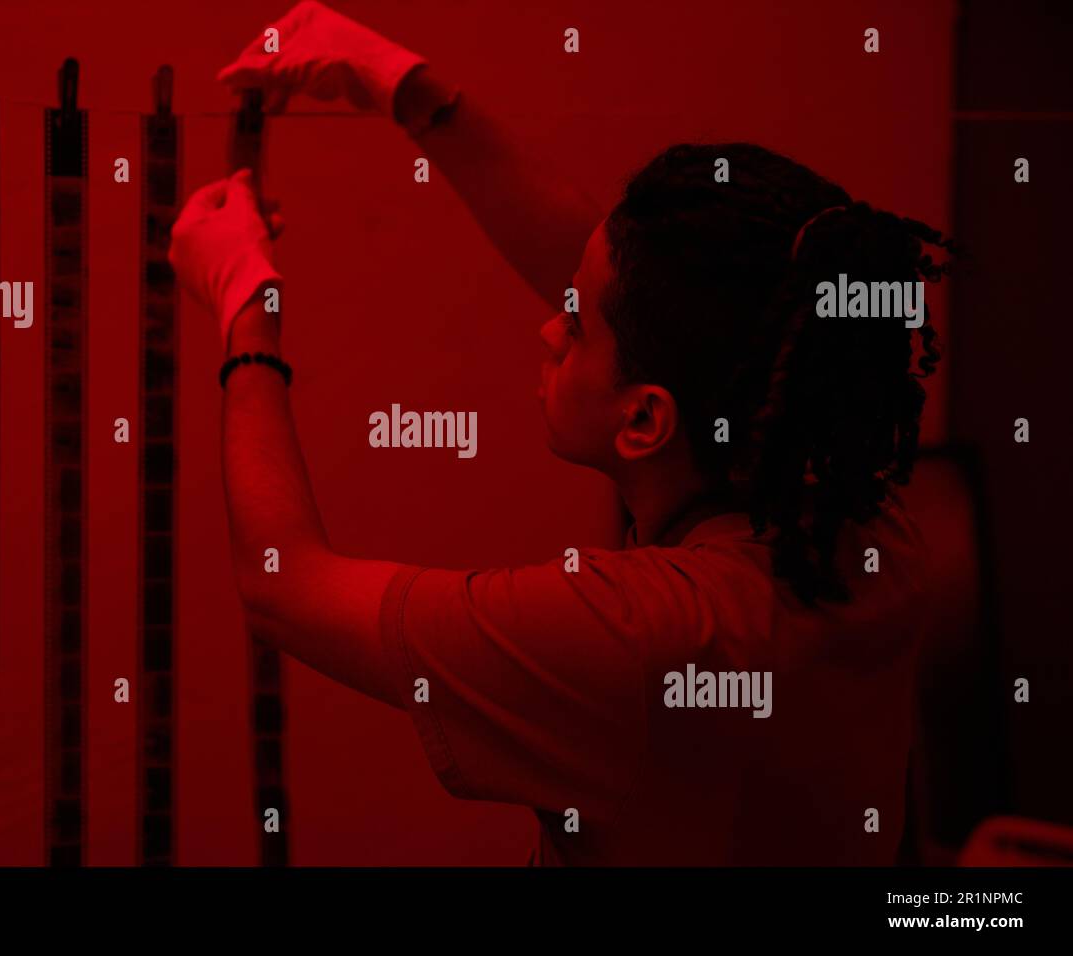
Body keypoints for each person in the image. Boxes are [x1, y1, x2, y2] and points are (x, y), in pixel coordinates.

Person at [169, 1, 954, 865]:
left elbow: (283, 585)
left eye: (573, 325)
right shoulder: (869, 534)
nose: (549, 324)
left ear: (647, 419)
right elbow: (659, 312)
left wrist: (247, 308)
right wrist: (409, 88)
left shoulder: (636, 637)